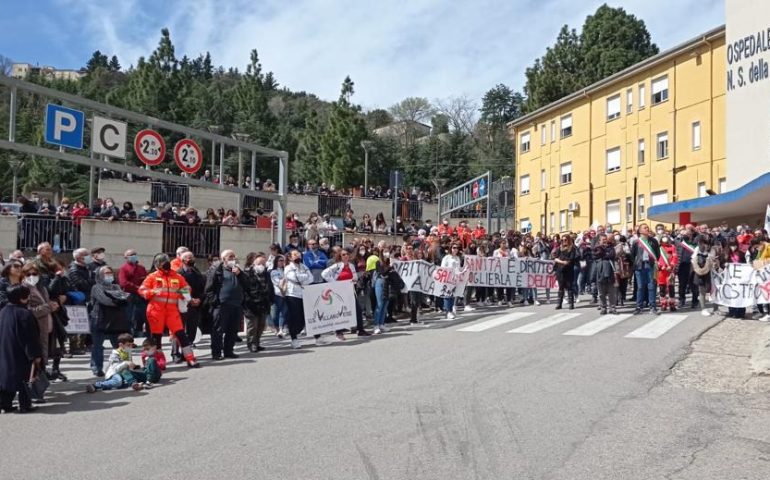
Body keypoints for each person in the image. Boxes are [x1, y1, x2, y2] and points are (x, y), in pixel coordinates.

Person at [139, 254, 200, 368]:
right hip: (156, 310)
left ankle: (190, 359)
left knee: (181, 334)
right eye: (162, 262)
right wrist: (152, 292)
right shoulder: (152, 276)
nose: (165, 263)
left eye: (166, 261)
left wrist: (188, 298)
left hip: (172, 310)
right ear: (157, 264)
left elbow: (187, 288)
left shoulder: (177, 276)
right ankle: (158, 362)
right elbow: (142, 290)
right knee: (156, 337)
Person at [0, 285, 43, 413]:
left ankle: (5, 404)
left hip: (5, 350)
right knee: (25, 378)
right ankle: (25, 405)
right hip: (21, 352)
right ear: (23, 298)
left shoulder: (2, 312)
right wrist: (35, 355)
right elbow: (31, 338)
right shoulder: (24, 314)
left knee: (5, 377)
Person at [204, 250, 248, 360]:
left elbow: (247, 285)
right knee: (218, 330)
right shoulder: (217, 270)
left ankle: (229, 351)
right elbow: (209, 289)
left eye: (234, 256)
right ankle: (216, 353)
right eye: (230, 257)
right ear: (223, 259)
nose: (233, 259)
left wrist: (240, 274)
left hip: (236, 305)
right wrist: (215, 301)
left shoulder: (237, 271)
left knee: (232, 330)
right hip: (222, 305)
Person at [90, 265, 132, 377]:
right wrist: (118, 301)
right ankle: (97, 368)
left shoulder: (115, 286)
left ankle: (123, 365)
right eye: (106, 273)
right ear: (100, 275)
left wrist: (121, 299)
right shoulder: (96, 287)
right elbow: (105, 300)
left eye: (110, 273)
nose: (109, 275)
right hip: (100, 319)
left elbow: (125, 297)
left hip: (115, 320)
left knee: (119, 344)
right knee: (97, 345)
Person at [321, 249, 371, 339]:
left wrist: (354, 280)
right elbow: (324, 274)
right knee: (339, 312)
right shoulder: (337, 266)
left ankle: (361, 330)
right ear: (340, 256)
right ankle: (339, 332)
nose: (346, 256)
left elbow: (355, 276)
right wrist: (334, 283)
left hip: (349, 290)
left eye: (347, 254)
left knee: (358, 310)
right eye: (343, 254)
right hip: (339, 292)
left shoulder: (351, 265)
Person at [22, 263, 57, 371]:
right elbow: (27, 310)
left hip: (46, 326)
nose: (32, 276)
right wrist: (48, 307)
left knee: (44, 353)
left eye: (35, 273)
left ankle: (42, 373)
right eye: (28, 274)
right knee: (36, 355)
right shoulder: (23, 289)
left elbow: (46, 303)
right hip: (34, 327)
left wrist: (53, 304)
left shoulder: (42, 288)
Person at [175, 251, 205, 361]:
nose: (191, 259)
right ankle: (176, 353)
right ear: (182, 260)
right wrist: (189, 299)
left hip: (195, 305)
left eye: (192, 257)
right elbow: (178, 289)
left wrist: (199, 299)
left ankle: (186, 352)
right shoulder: (178, 273)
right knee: (179, 330)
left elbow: (203, 288)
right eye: (188, 258)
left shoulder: (197, 273)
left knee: (192, 330)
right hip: (182, 304)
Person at [243, 252, 273, 352]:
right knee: (253, 326)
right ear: (254, 263)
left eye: (263, 264)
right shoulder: (247, 274)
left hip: (263, 304)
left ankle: (257, 342)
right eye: (259, 263)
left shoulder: (266, 273)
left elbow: (270, 287)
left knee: (261, 325)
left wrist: (271, 299)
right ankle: (251, 344)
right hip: (251, 304)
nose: (262, 266)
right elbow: (245, 289)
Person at [284, 250, 313, 349]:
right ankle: (294, 339)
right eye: (295, 255)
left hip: (303, 294)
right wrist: (305, 277)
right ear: (290, 257)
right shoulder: (288, 268)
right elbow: (294, 278)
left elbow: (311, 278)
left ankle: (295, 331)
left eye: (299, 254)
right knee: (294, 318)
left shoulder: (304, 266)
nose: (298, 256)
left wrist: (303, 277)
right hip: (292, 295)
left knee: (302, 318)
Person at [630, 223, 661, 315]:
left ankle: (652, 306)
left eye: (647, 227)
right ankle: (639, 307)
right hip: (639, 266)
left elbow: (657, 254)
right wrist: (636, 263)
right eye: (645, 228)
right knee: (640, 287)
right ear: (640, 231)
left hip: (650, 266)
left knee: (651, 286)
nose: (647, 229)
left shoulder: (653, 241)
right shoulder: (636, 242)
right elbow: (632, 255)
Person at [118, 249, 148, 337]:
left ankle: (139, 333)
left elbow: (146, 280)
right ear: (126, 257)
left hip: (141, 296)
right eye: (131, 255)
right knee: (129, 317)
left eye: (134, 254)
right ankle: (129, 337)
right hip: (129, 296)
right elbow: (123, 283)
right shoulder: (124, 269)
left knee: (143, 316)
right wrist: (137, 287)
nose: (133, 256)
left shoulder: (141, 268)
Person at [593, 234, 618, 315]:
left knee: (611, 292)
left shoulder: (611, 247)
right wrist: (602, 252)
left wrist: (603, 255)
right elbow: (595, 256)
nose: (604, 240)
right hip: (600, 272)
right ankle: (603, 307)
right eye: (602, 239)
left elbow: (612, 255)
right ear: (599, 240)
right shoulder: (596, 248)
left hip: (610, 272)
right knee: (601, 293)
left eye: (605, 239)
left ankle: (612, 308)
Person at [552, 235, 577, 310]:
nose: (564, 241)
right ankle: (559, 304)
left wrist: (563, 261)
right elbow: (555, 258)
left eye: (565, 240)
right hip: (560, 270)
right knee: (561, 287)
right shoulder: (559, 248)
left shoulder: (572, 248)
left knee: (569, 287)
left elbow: (570, 259)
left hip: (569, 270)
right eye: (562, 240)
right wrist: (562, 261)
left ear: (569, 240)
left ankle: (571, 304)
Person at [441, 243, 463, 319]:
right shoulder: (446, 258)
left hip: (455, 278)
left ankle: (450, 309)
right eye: (454, 247)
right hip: (447, 278)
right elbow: (443, 268)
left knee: (452, 295)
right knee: (447, 295)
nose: (455, 249)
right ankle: (448, 311)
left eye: (457, 248)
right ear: (451, 248)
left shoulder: (457, 258)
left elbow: (458, 268)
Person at [657, 235, 679, 312]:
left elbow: (675, 257)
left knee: (671, 288)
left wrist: (672, 265)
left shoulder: (672, 247)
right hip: (661, 271)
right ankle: (663, 303)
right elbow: (656, 259)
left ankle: (672, 304)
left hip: (670, 270)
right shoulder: (658, 248)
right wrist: (660, 266)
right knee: (662, 288)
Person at [270, 255, 288, 337]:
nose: (282, 262)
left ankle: (281, 329)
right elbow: (277, 282)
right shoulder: (274, 271)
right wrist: (284, 278)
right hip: (278, 294)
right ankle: (276, 328)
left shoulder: (286, 270)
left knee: (284, 312)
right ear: (276, 262)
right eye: (280, 260)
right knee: (275, 314)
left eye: (283, 260)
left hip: (287, 293)